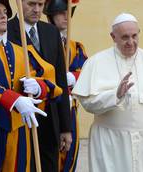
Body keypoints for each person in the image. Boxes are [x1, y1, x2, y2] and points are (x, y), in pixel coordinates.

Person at [72, 13, 143, 172]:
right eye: (124, 37)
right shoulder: (96, 62)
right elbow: (88, 104)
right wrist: (115, 96)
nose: (131, 42)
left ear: (139, 33)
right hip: (109, 141)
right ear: (113, 37)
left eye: (134, 36)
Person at [0, 0, 64, 171]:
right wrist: (14, 100)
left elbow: (54, 86)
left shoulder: (22, 51)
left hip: (20, 131)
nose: (3, 15)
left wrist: (38, 87)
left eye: (5, 11)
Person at [7, 0, 72, 171]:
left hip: (50, 117)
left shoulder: (51, 32)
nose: (37, 10)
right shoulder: (5, 31)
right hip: (21, 116)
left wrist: (66, 127)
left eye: (41, 5)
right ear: (19, 3)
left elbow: (61, 81)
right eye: (31, 4)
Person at [43, 0, 87, 171]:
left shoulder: (76, 47)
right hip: (49, 105)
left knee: (70, 155)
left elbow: (86, 72)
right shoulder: (41, 43)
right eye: (61, 12)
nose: (66, 16)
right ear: (51, 16)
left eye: (68, 12)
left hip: (69, 106)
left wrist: (73, 77)